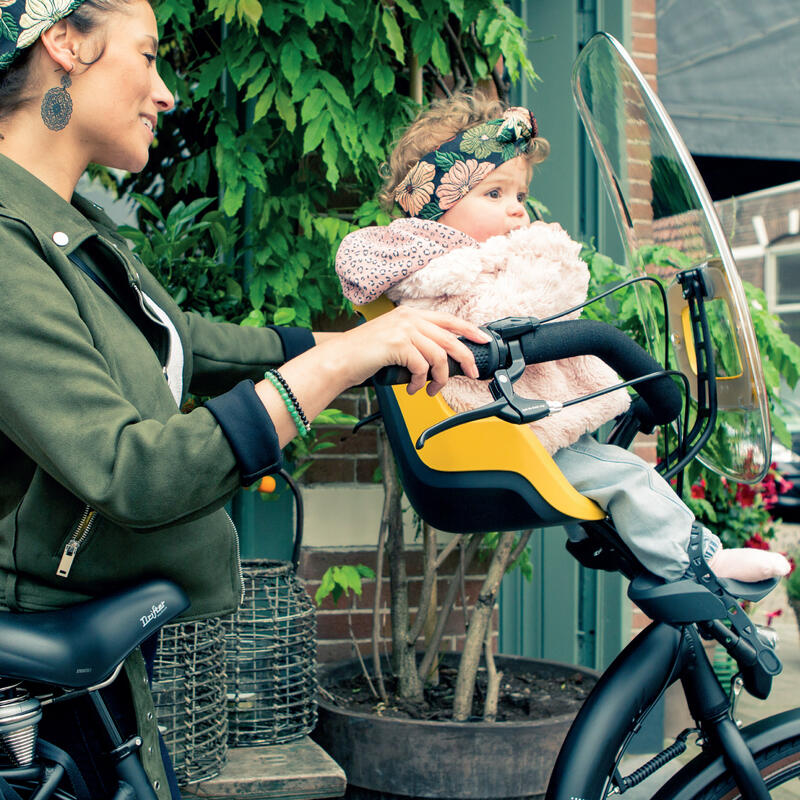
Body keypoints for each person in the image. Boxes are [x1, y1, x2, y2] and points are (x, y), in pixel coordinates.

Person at [0, 3, 489, 797]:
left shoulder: (68, 228)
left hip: (96, 655)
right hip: (34, 679)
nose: (166, 92)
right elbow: (131, 469)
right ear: (64, 43)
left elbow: (185, 340)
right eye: (149, 55)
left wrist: (369, 348)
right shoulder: (6, 236)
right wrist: (335, 367)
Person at [336, 92, 791, 588]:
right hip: (502, 428)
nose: (516, 211)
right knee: (624, 473)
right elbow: (508, 314)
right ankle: (700, 562)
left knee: (603, 475)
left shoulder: (431, 267)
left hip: (498, 422)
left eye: (520, 197)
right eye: (494, 194)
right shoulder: (449, 271)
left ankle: (604, 538)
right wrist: (547, 257)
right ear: (436, 209)